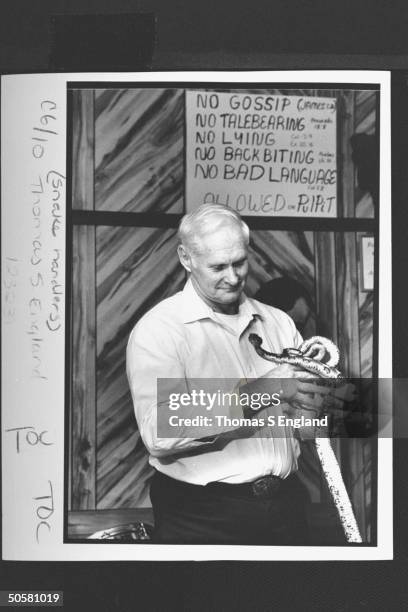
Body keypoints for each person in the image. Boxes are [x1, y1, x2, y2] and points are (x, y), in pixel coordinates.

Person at [126, 204, 329, 544]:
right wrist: (267, 389)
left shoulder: (279, 323)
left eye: (240, 262)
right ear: (186, 258)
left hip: (286, 506)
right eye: (218, 266)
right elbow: (159, 429)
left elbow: (310, 422)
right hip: (201, 516)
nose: (234, 277)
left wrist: (322, 386)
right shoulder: (159, 330)